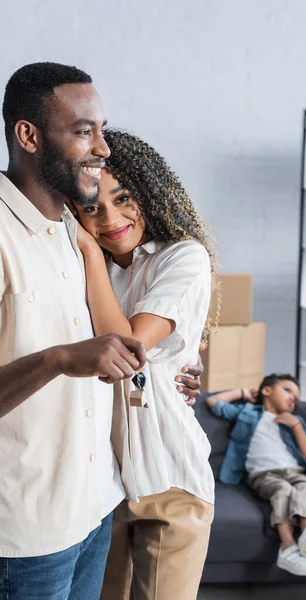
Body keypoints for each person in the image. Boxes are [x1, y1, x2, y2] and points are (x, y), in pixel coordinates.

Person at [0, 62, 201, 600]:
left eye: (102, 129)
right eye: (84, 130)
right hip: (28, 533)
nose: (103, 147)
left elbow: (136, 349)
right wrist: (58, 359)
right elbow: (96, 351)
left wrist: (178, 374)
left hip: (97, 505)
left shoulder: (76, 231)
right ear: (29, 136)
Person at [73, 129, 218, 600]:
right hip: (100, 484)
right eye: (92, 207)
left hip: (169, 475)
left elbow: (129, 347)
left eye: (123, 198)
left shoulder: (183, 257)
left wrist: (91, 252)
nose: (110, 218)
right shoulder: (74, 268)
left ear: (149, 191)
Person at [207, 374, 306, 576]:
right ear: (267, 391)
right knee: (283, 490)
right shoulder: (248, 412)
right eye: (288, 390)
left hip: (295, 471)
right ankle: (287, 547)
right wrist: (243, 393)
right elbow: (214, 403)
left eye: (296, 397)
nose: (293, 398)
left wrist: (296, 426)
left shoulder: (295, 421)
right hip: (263, 473)